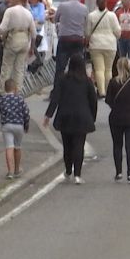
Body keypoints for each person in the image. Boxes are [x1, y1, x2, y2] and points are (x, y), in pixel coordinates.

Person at [44, 53, 98, 184]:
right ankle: (77, 175)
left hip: (65, 116)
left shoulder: (63, 79)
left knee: (67, 146)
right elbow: (93, 100)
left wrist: (48, 115)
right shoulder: (87, 81)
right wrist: (92, 116)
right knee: (79, 146)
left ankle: (68, 171)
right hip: (82, 116)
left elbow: (55, 98)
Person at [0, 0, 37, 91]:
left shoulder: (10, 11)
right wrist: (32, 48)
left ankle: (3, 91)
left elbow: (2, 28)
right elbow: (34, 33)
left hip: (13, 39)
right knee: (19, 69)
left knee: (7, 67)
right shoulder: (28, 13)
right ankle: (17, 91)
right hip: (24, 41)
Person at [0, 79, 30, 180]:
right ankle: (17, 169)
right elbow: (26, 113)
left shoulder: (1, 100)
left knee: (9, 148)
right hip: (19, 126)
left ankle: (10, 172)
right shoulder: (20, 99)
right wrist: (26, 125)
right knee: (17, 147)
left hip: (6, 125)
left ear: (5, 88)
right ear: (15, 88)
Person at [53, 0, 89, 91]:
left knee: (60, 67)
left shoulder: (62, 6)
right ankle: (80, 88)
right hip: (78, 39)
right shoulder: (84, 8)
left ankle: (57, 90)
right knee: (78, 65)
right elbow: (86, 23)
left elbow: (56, 19)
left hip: (65, 39)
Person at [86, 0, 121, 97]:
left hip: (96, 45)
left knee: (99, 69)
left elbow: (87, 32)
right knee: (108, 69)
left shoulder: (91, 16)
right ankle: (108, 90)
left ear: (96, 4)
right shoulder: (112, 15)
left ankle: (101, 92)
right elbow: (118, 31)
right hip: (110, 45)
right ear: (106, 3)